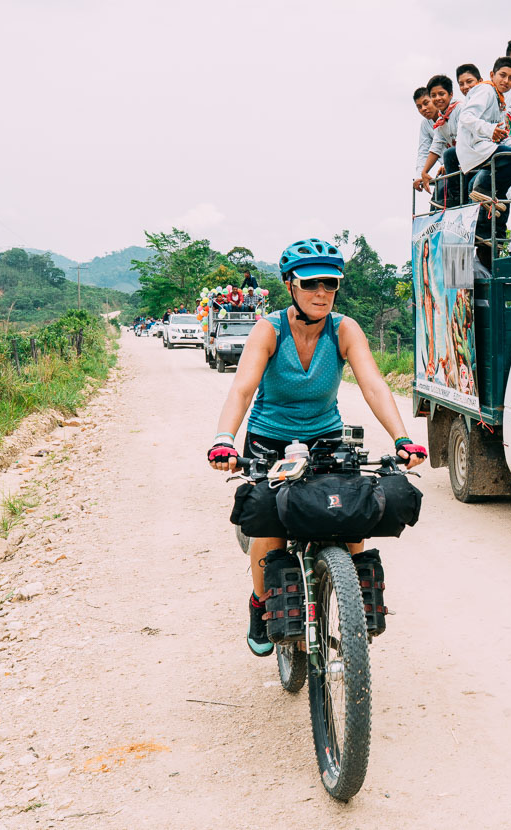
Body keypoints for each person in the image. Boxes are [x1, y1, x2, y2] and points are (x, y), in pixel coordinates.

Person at [207, 238, 427, 657]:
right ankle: (260, 605)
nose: (321, 293)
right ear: (291, 285)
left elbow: (374, 386)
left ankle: (354, 611)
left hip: (326, 437)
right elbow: (242, 389)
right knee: (270, 526)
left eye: (330, 283)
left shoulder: (344, 329)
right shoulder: (268, 329)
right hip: (270, 439)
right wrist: (224, 440)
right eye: (311, 284)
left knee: (352, 515)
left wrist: (402, 439)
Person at [458, 57, 511, 256]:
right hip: (476, 149)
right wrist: (489, 129)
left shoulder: (500, 100)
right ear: (492, 75)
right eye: (502, 75)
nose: (506, 81)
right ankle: (483, 187)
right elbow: (466, 117)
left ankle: (491, 227)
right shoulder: (485, 90)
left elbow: (503, 138)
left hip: (487, 147)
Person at [417, 74, 464, 208]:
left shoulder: (460, 109)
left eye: (441, 94)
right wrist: (424, 172)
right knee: (437, 197)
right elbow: (435, 146)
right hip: (456, 166)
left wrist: (447, 164)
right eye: (433, 96)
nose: (437, 98)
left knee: (449, 154)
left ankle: (456, 198)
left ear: (450, 94)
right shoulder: (440, 120)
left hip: (470, 160)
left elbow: (464, 141)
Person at [412, 88, 438, 192]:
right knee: (436, 202)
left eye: (426, 103)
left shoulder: (450, 114)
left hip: (463, 164)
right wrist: (419, 175)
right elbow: (423, 151)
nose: (423, 109)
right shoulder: (425, 124)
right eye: (419, 107)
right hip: (447, 169)